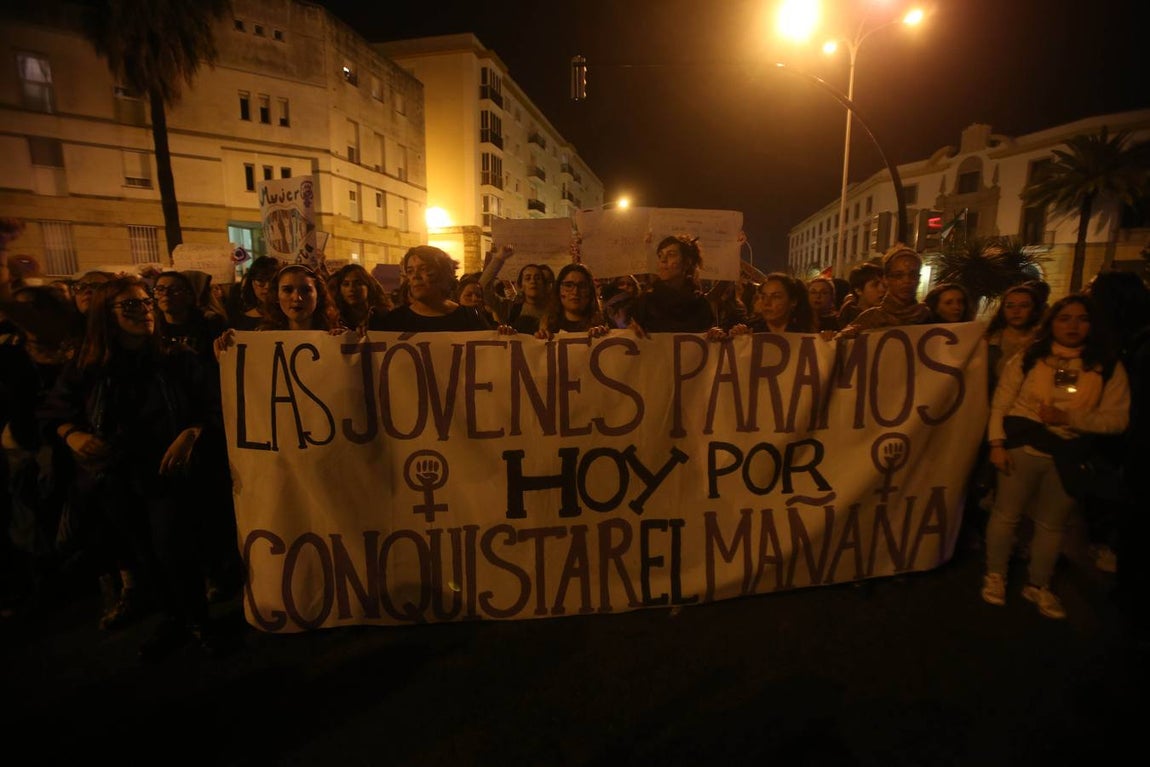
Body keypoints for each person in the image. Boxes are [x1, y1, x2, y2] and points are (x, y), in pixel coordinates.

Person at [40, 277, 228, 656]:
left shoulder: (177, 358)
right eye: (130, 306)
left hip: (166, 470)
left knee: (174, 547)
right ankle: (172, 620)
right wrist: (72, 434)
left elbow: (211, 405)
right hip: (115, 474)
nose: (143, 311)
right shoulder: (88, 365)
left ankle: (198, 621)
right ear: (106, 315)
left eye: (145, 303)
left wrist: (190, 433)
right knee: (143, 552)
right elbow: (56, 409)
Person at [981, 294, 1130, 619]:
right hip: (1024, 447)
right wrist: (997, 444)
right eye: (1065, 319)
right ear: (1052, 323)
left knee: (1052, 525)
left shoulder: (1106, 366)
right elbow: (1002, 403)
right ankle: (996, 575)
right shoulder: (1029, 358)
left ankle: (1039, 584)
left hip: (1070, 453)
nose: (1073, 326)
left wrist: (1072, 420)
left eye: (1081, 319)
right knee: (1006, 515)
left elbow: (1118, 419)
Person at [381, 246, 488, 332]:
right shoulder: (394, 321)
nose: (415, 276)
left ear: (444, 274)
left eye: (424, 269)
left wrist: (502, 335)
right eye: (410, 271)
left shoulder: (470, 318)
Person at [628, 235, 716, 335]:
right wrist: (631, 331)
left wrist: (714, 335)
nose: (663, 260)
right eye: (660, 255)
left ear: (687, 263)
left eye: (671, 254)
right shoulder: (646, 302)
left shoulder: (700, 305)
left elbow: (708, 344)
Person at [838, 245, 930, 334]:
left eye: (913, 275)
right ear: (886, 279)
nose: (907, 281)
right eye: (898, 275)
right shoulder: (870, 319)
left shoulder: (927, 316)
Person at [153, 271, 228, 365]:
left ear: (189, 295)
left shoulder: (209, 324)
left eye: (174, 289)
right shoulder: (152, 327)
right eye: (160, 289)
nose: (166, 293)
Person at [984, 283, 1044, 391]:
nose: (1016, 311)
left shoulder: (1042, 341)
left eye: (1024, 306)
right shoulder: (990, 340)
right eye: (1010, 306)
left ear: (1034, 309)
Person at [479, 246, 551, 334]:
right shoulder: (509, 308)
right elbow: (483, 288)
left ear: (544, 284)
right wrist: (499, 258)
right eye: (528, 278)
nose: (533, 281)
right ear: (520, 286)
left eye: (537, 278)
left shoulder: (554, 310)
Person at [536, 263, 609, 338]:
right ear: (559, 290)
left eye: (582, 286)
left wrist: (603, 335)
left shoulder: (605, 323)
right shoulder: (547, 325)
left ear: (590, 291)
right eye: (568, 285)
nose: (575, 292)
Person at [730, 273, 815, 335]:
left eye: (776, 297)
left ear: (793, 301)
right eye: (763, 296)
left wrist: (826, 340)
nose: (767, 303)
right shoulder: (750, 330)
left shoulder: (806, 334)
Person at [328, 263, 391, 332]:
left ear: (368, 286)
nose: (351, 289)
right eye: (346, 284)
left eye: (358, 284)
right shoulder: (334, 319)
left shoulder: (384, 317)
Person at [227, 256, 280, 331]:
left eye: (272, 281)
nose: (267, 286)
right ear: (252, 282)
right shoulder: (240, 320)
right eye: (261, 280)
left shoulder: (289, 316)